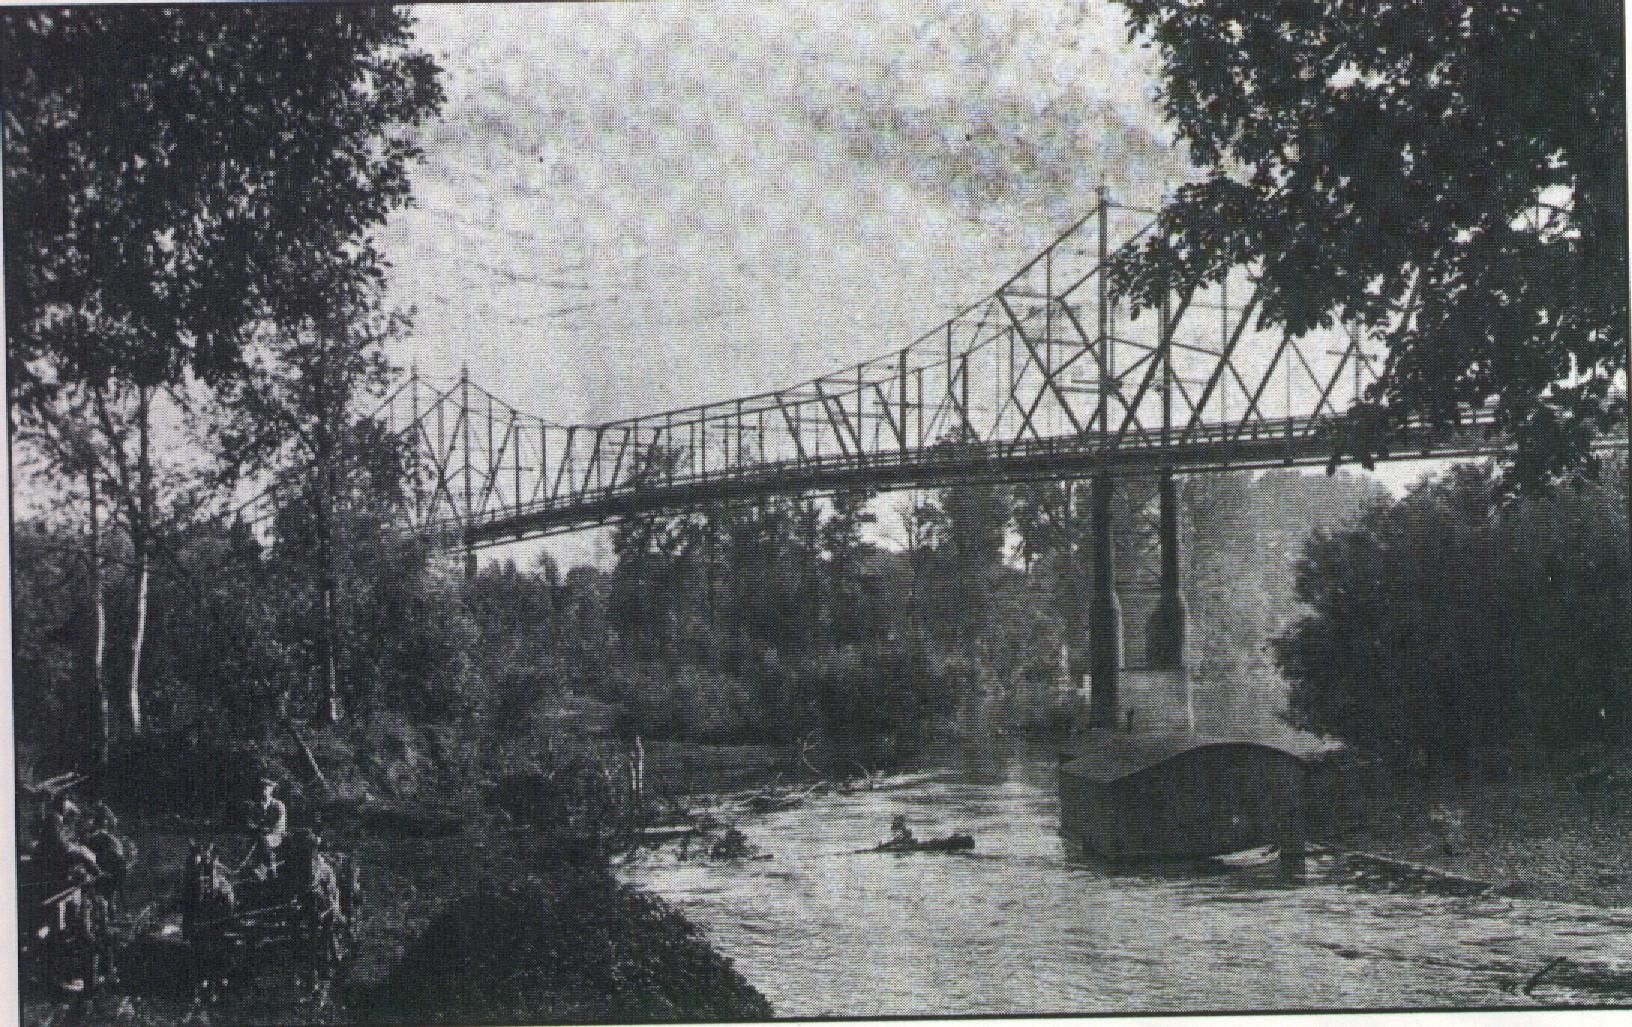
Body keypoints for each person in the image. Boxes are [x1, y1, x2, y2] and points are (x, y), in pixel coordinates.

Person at [243, 777, 288, 881]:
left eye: (266, 788)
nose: (263, 790)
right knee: (248, 841)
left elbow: (276, 823)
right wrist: (254, 826)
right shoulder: (257, 806)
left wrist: (262, 827)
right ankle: (246, 867)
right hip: (260, 834)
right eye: (262, 788)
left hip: (276, 835)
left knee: (264, 840)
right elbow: (250, 821)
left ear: (271, 790)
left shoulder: (278, 805)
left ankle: (270, 867)